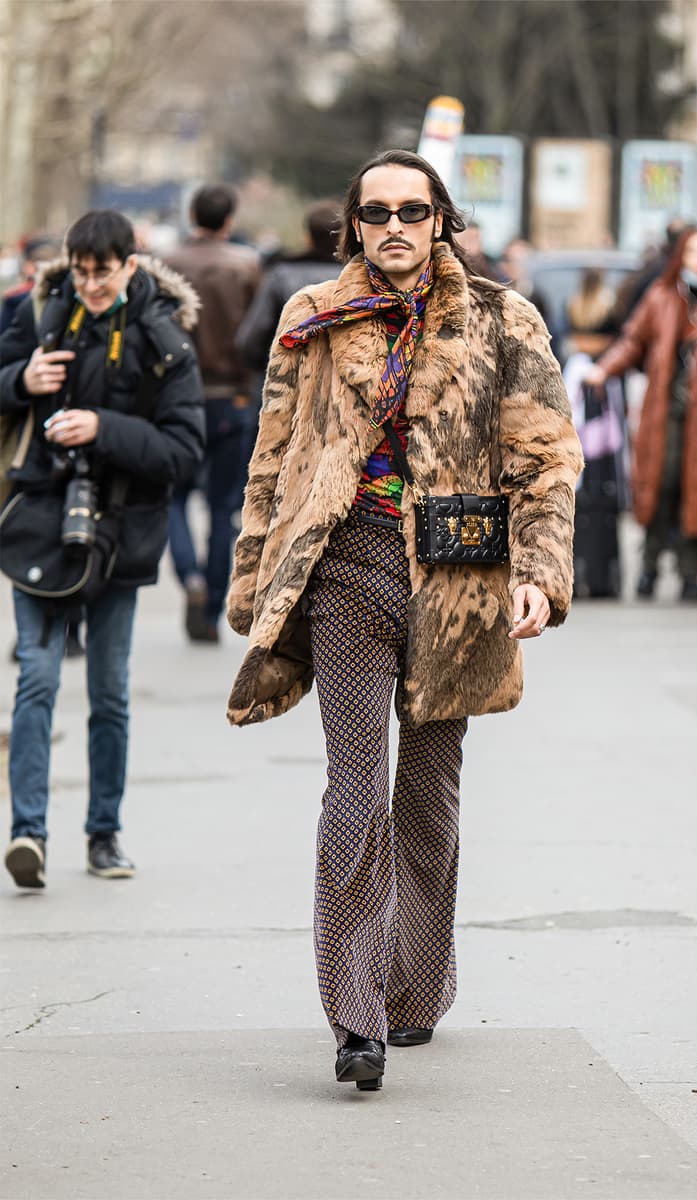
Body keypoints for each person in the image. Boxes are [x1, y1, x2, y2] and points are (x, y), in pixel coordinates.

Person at [225, 149, 583, 1092]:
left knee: (428, 794)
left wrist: (540, 570)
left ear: (440, 221)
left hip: (460, 584)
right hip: (348, 571)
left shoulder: (505, 318)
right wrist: (253, 578)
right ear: (352, 223)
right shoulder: (313, 318)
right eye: (375, 211)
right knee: (357, 787)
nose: (394, 226)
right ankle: (355, 1014)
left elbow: (546, 458)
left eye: (412, 212)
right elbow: (272, 456)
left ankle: (415, 986)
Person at [0, 210, 204, 888]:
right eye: (80, 271)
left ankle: (103, 834)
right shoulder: (39, 313)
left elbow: (184, 452)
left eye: (102, 272)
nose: (88, 284)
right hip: (40, 519)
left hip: (124, 527)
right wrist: (18, 383)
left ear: (130, 264)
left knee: (109, 693)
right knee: (37, 678)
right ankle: (26, 832)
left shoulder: (164, 336)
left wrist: (103, 427)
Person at [585, 228, 697, 602]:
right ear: (681, 256)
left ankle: (690, 574)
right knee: (658, 485)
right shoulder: (661, 297)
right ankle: (649, 567)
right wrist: (604, 369)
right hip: (664, 409)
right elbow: (633, 340)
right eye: (692, 252)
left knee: (695, 490)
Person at [165, 184, 261, 643]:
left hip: (176, 397)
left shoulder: (167, 264)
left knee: (175, 496)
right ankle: (210, 610)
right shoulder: (245, 265)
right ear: (229, 219)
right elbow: (256, 332)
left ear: (191, 214)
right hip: (231, 397)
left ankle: (191, 578)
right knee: (224, 507)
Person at [235, 200, 342, 374]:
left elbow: (251, 338)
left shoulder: (280, 275)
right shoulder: (357, 276)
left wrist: (267, 368)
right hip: (342, 386)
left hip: (287, 381)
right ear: (343, 236)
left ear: (308, 237)